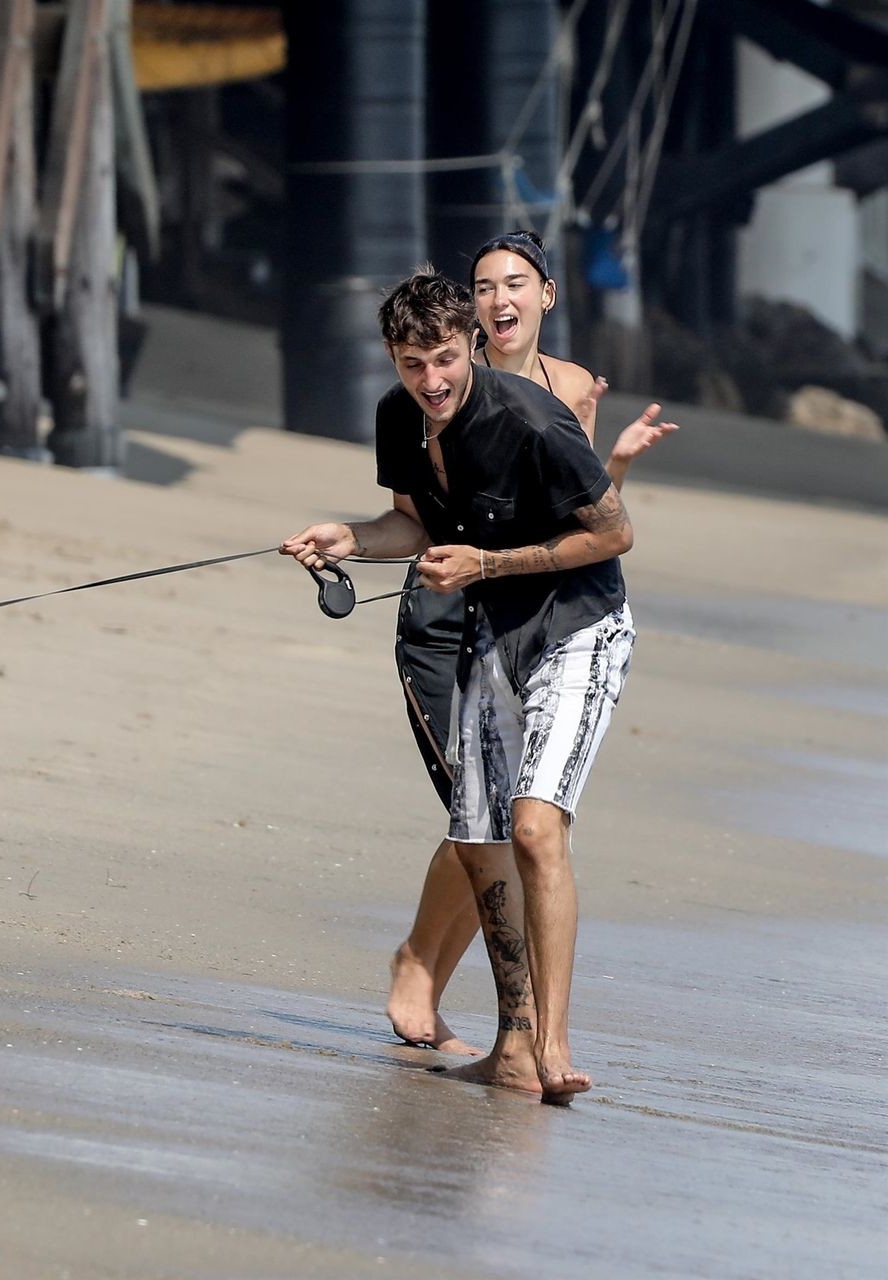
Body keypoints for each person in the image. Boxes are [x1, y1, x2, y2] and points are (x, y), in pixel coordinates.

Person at [282, 267, 637, 1101]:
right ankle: (513, 1046)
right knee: (478, 838)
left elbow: (615, 533)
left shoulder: (531, 420)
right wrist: (350, 538)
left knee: (536, 829)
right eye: (413, 364)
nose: (432, 380)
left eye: (444, 358)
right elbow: (412, 524)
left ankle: (551, 1045)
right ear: (392, 358)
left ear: (471, 344)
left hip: (576, 628)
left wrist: (487, 565)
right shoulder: (397, 418)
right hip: (490, 637)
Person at [384, 230, 677, 1055]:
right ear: (467, 311)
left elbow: (583, 514)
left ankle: (473, 1004)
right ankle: (424, 971)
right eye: (482, 286)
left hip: (530, 606)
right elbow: (416, 518)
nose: (497, 298)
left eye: (514, 283)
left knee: (516, 822)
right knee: (474, 813)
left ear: (546, 295)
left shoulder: (568, 390)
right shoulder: (435, 384)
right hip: (449, 610)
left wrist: (617, 463)